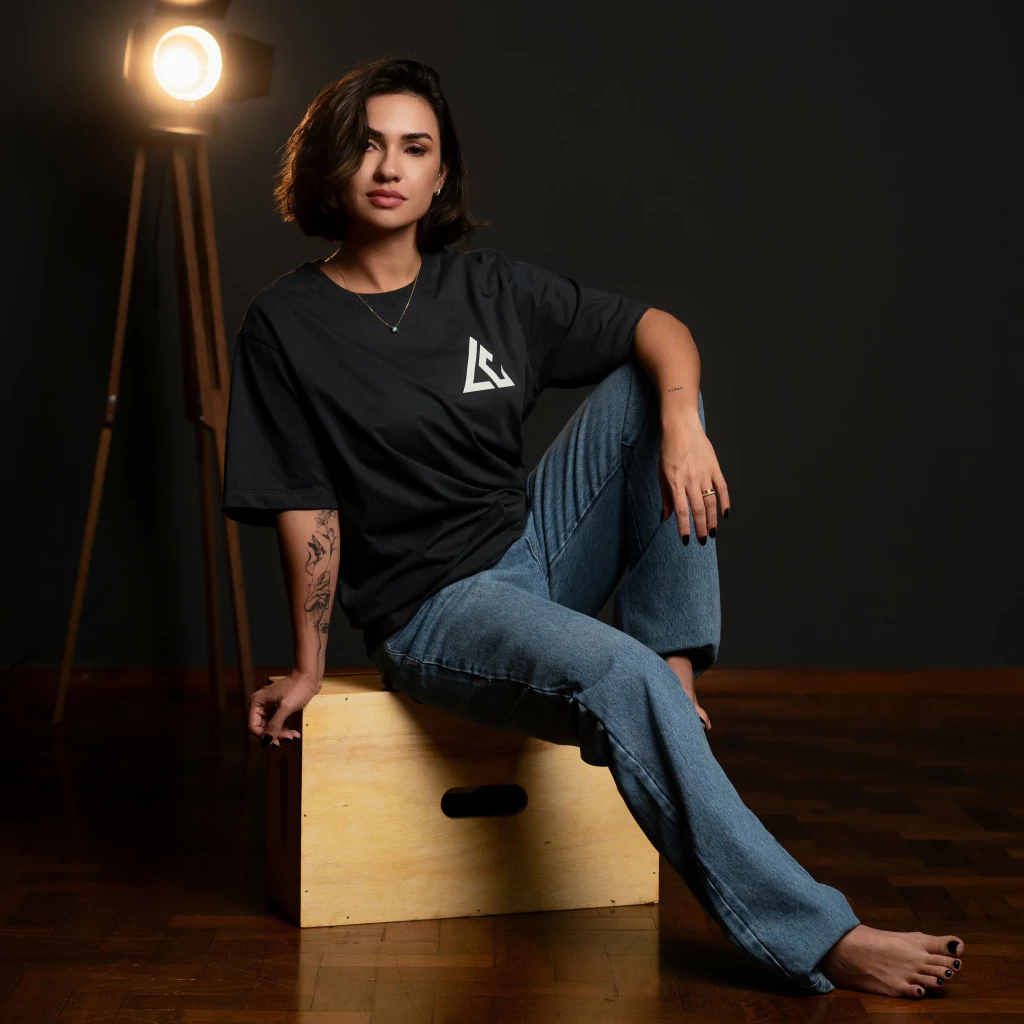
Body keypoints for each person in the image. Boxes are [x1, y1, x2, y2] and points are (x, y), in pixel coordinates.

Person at [221, 55, 965, 999]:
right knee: (621, 674)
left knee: (650, 389)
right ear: (331, 161)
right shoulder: (286, 322)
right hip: (436, 609)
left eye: (415, 147)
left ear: (442, 175)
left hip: (533, 550)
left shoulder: (488, 289)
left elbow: (660, 326)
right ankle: (820, 937)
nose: (390, 167)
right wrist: (311, 662)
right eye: (367, 145)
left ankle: (672, 671)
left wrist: (685, 425)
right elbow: (306, 502)